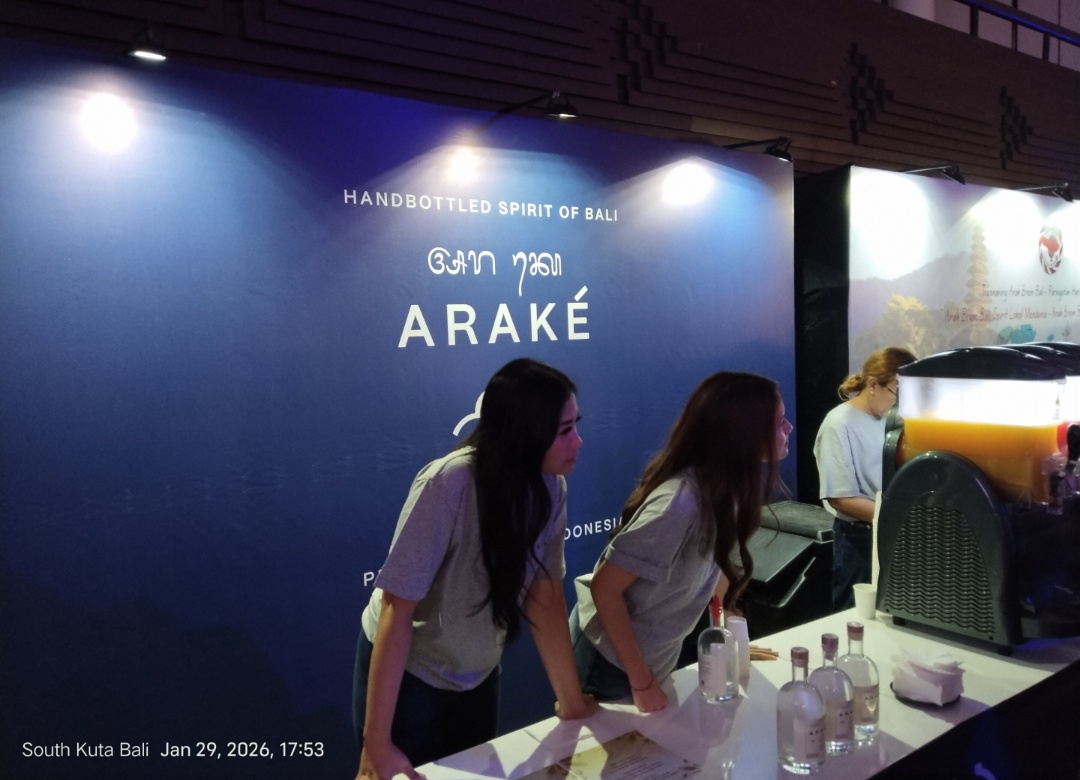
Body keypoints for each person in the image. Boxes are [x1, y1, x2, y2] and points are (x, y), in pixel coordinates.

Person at [352, 358, 598, 780]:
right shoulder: (448, 483)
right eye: (564, 431)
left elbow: (545, 596)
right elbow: (397, 608)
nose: (578, 441)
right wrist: (377, 743)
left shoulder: (551, 486)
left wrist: (572, 704)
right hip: (411, 676)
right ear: (525, 432)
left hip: (478, 674)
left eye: (576, 425)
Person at [569, 371, 792, 712]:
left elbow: (714, 569)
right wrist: (641, 682)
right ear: (744, 433)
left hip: (650, 657)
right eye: (779, 422)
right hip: (611, 661)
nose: (788, 428)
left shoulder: (724, 489)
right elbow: (605, 588)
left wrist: (730, 637)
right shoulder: (680, 503)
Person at [813, 346, 917, 611]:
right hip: (858, 541)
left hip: (895, 534)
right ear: (872, 385)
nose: (901, 403)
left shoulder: (897, 419)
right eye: (897, 392)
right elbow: (840, 498)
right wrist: (897, 518)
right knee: (855, 617)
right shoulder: (838, 424)